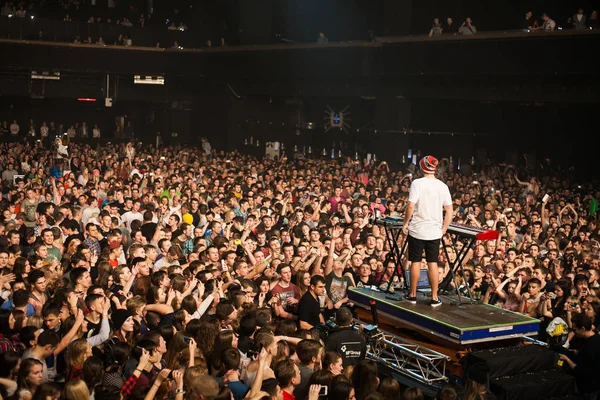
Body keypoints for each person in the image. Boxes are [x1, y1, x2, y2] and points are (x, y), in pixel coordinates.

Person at [402, 155, 452, 307]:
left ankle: (412, 295)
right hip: (434, 231)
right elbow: (449, 211)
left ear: (422, 167)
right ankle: (435, 297)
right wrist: (443, 229)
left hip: (417, 229)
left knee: (416, 261)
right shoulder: (443, 186)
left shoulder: (417, 183)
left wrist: (405, 223)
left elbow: (410, 206)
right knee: (433, 263)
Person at [559, 313, 600, 399]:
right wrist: (577, 352)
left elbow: (582, 371)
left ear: (582, 328)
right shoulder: (594, 337)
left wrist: (567, 359)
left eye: (575, 330)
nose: (574, 332)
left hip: (589, 389)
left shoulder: (592, 346)